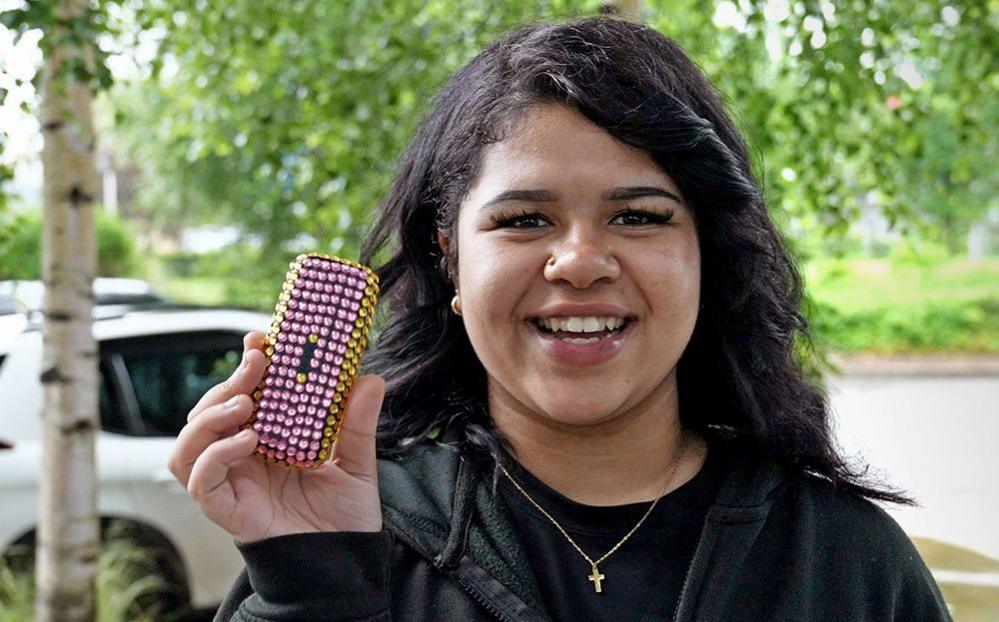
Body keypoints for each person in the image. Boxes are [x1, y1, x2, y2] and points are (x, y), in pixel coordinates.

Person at [168, 15, 952, 622]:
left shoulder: (842, 562)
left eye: (639, 217)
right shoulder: (351, 538)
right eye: (523, 220)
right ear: (449, 260)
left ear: (707, 256)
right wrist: (311, 586)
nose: (577, 262)